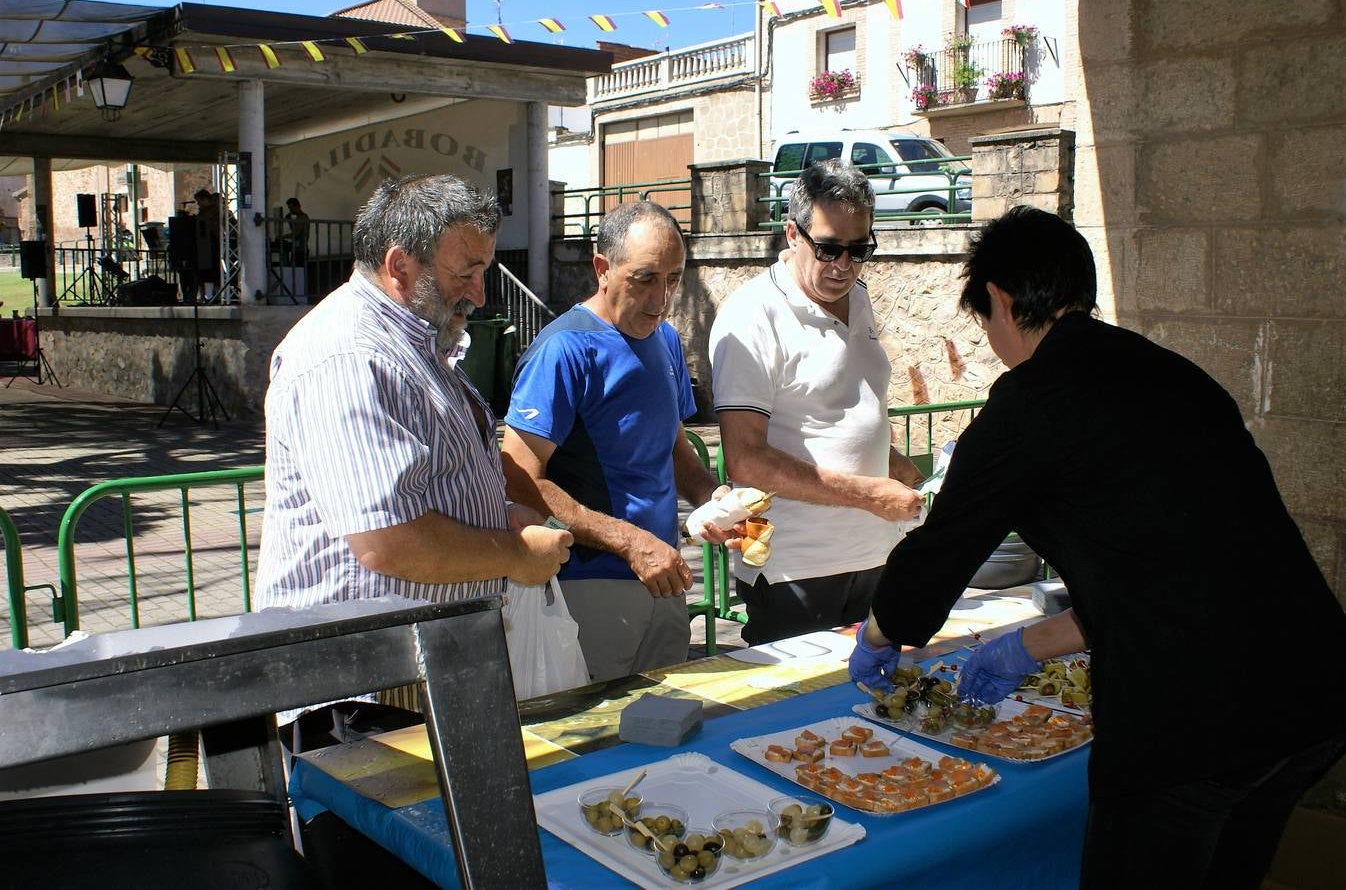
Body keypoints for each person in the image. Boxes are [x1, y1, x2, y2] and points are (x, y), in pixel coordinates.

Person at [848, 206, 1346, 889]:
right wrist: (1026, 645)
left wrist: (883, 632)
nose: (993, 341)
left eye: (986, 323)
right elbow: (1166, 567)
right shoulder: (1171, 373)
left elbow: (941, 549)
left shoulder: (1031, 400)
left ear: (999, 297)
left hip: (1198, 718)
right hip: (1313, 688)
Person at [257, 174, 573, 746]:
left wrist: (498, 517)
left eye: (485, 272)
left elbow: (423, 488)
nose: (480, 293)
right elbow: (387, 540)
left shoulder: (411, 343)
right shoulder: (348, 356)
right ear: (399, 266)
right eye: (465, 273)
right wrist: (513, 554)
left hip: (409, 674)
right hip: (362, 694)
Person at [500, 200, 735, 682]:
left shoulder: (665, 338)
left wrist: (714, 500)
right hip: (589, 586)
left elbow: (674, 452)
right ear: (602, 269)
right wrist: (629, 542)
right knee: (595, 740)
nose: (661, 298)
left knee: (669, 734)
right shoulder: (564, 349)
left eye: (674, 279)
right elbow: (517, 476)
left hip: (664, 577)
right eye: (645, 278)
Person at [709, 159, 924, 646]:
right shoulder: (751, 314)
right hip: (797, 567)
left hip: (878, 553)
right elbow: (745, 457)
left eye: (858, 250)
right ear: (792, 234)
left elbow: (838, 410)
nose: (843, 266)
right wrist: (872, 494)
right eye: (827, 249)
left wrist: (891, 463)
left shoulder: (860, 296)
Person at [283, 196, 311, 265]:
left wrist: (282, 237)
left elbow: (296, 233)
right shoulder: (298, 217)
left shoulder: (302, 217)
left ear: (297, 206)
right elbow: (295, 230)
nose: (290, 210)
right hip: (298, 249)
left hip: (301, 250)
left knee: (299, 272)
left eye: (291, 208)